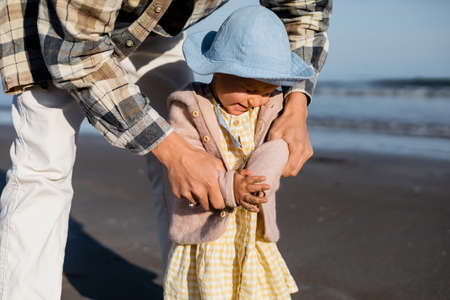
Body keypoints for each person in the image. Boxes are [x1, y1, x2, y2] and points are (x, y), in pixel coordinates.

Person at [0, 0, 331, 299]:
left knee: (190, 165)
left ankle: (191, 284)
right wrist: (175, 153)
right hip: (57, 29)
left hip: (156, 27)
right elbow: (77, 54)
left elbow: (304, 12)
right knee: (42, 168)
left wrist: (297, 104)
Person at [163, 6, 313, 299]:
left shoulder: (272, 106)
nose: (256, 99)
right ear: (217, 69)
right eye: (247, 86)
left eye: (266, 90)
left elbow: (279, 146)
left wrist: (259, 180)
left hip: (252, 228)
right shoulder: (187, 106)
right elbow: (188, 165)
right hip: (208, 232)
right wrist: (231, 187)